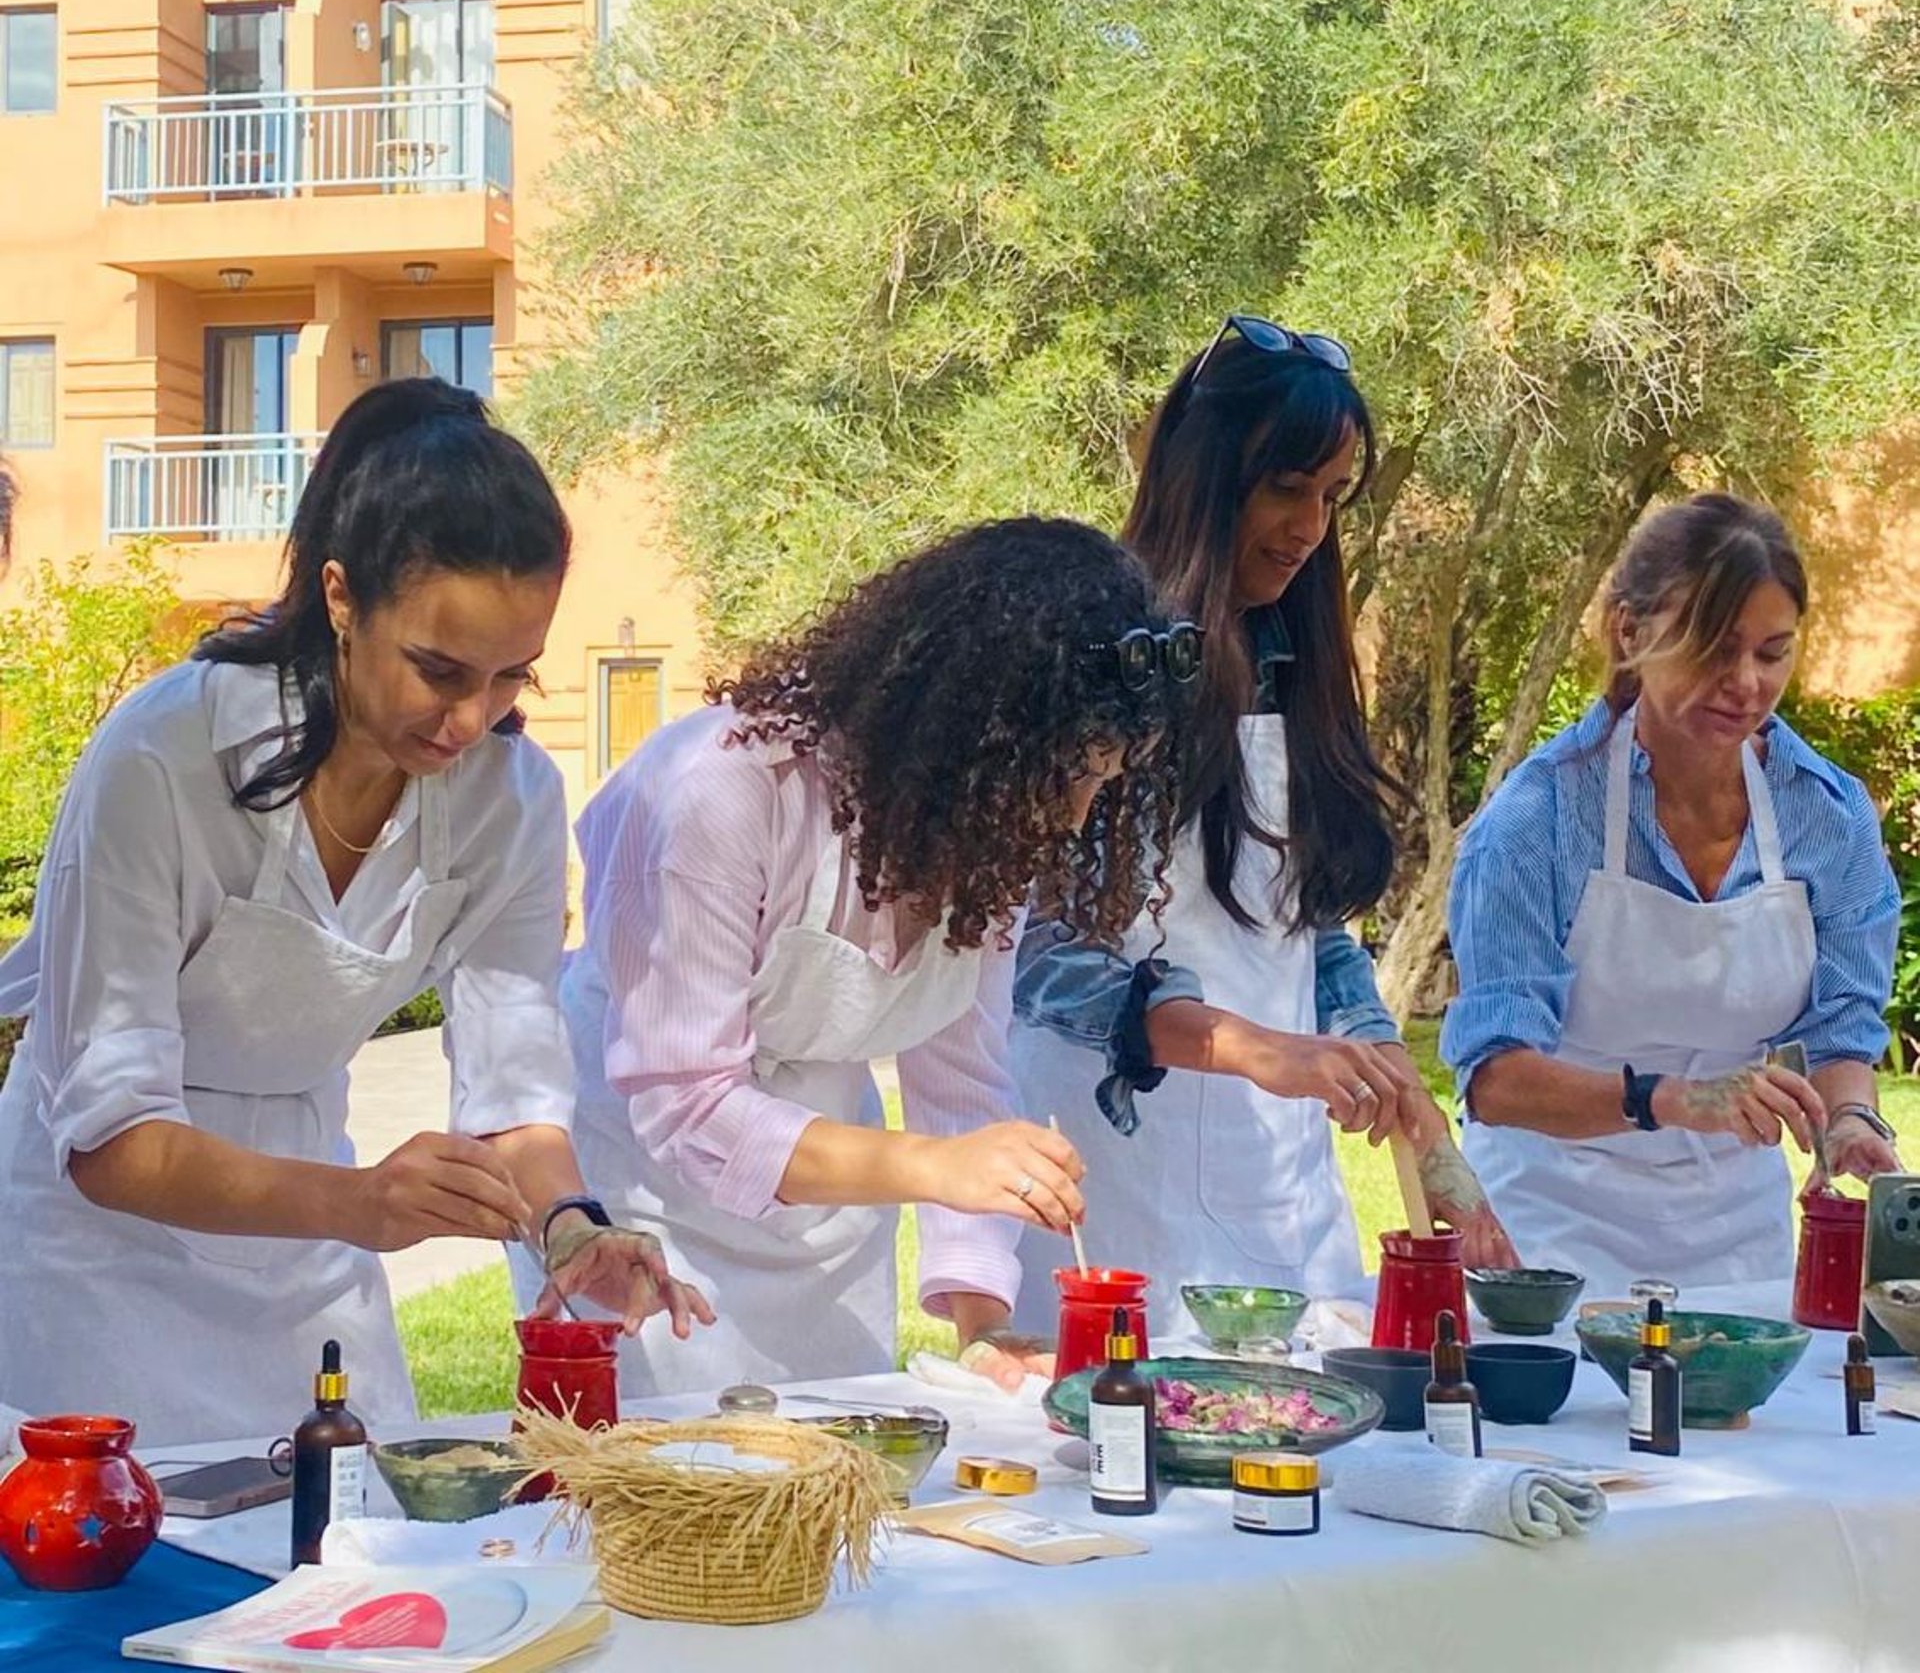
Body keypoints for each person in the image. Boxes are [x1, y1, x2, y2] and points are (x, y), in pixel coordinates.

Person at [0, 379, 708, 1443]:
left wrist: (570, 1226)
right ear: (341, 596)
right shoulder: (162, 756)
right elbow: (113, 1141)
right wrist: (359, 1203)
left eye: (514, 676)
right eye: (438, 669)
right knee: (139, 1575)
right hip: (96, 1253)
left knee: (351, 1557)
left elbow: (514, 1094)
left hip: (312, 1239)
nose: (473, 719)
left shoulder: (511, 804)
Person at [539, 516, 1190, 1393]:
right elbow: (687, 1103)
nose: (1074, 817)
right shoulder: (725, 792)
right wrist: (935, 1167)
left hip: (828, 1207)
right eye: (1067, 773)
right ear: (980, 732)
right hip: (644, 1211)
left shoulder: (984, 827)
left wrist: (983, 1325)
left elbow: (961, 1081)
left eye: (1102, 782)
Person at [1011, 317, 1513, 1338]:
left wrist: (1404, 1100)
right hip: (1118, 1176)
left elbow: (1313, 929)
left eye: (1332, 497)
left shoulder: (1294, 662)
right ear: (1205, 477)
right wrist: (1252, 1048)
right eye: (1287, 489)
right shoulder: (1098, 661)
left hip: (1278, 1180)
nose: (1310, 527)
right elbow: (1049, 963)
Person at [1443, 493, 1900, 1292]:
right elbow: (1496, 1079)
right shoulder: (1540, 818)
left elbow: (1839, 1029)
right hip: (1550, 1235)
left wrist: (1852, 1117)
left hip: (1736, 1247)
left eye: (1772, 653)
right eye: (1715, 648)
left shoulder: (1827, 818)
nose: (1745, 683)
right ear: (1631, 630)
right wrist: (1675, 1099)